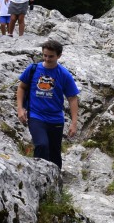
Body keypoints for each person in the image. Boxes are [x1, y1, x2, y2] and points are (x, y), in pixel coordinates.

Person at [16, 39, 79, 169]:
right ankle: (38, 175)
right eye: (45, 55)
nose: (47, 59)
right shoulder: (33, 69)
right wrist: (20, 109)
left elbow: (72, 98)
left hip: (56, 119)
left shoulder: (64, 74)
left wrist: (74, 123)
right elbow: (21, 87)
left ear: (59, 56)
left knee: (54, 154)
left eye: (51, 56)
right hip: (36, 116)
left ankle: (55, 184)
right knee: (42, 145)